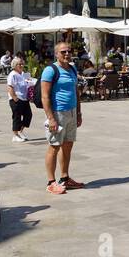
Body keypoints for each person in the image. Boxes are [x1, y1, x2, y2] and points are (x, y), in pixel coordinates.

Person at [40, 40, 84, 195]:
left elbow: (76, 92)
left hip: (71, 112)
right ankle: (51, 182)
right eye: (63, 51)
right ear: (56, 54)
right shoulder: (50, 70)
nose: (67, 54)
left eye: (69, 51)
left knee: (67, 145)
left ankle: (65, 178)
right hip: (57, 113)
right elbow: (45, 97)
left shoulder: (72, 69)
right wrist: (51, 118)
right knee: (54, 146)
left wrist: (78, 112)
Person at [6, 57, 36, 142]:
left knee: (28, 115)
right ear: (15, 65)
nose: (22, 65)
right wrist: (15, 97)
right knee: (17, 117)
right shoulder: (12, 74)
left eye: (22, 63)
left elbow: (27, 84)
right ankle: (15, 135)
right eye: (20, 64)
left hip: (24, 98)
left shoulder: (23, 74)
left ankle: (20, 131)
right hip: (16, 99)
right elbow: (10, 87)